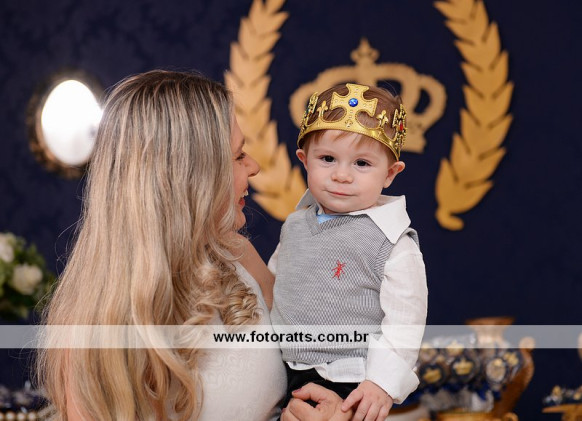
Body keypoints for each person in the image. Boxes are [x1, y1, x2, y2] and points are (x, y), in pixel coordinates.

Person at [36, 69, 292, 421]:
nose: (255, 166)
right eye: (238, 156)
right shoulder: (94, 327)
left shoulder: (239, 255)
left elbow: (306, 362)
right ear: (190, 176)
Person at [270, 83, 428, 421]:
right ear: (304, 160)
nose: (341, 175)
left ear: (389, 174)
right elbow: (275, 289)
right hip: (283, 373)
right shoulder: (295, 225)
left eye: (362, 163)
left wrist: (381, 382)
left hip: (350, 381)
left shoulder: (391, 243)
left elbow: (406, 321)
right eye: (327, 159)